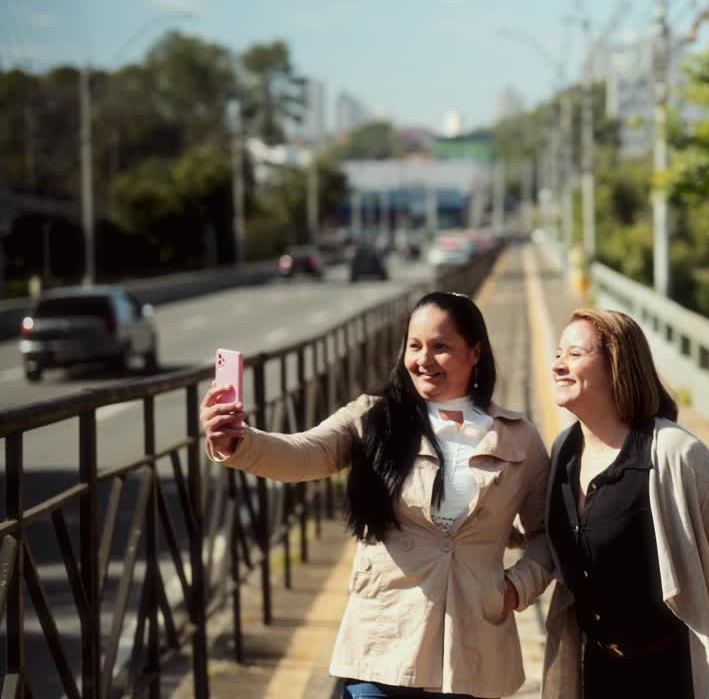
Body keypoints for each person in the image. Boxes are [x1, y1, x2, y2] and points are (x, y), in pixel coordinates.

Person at [201, 292, 552, 699]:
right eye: (415, 345)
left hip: (474, 649)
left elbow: (547, 534)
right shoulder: (372, 417)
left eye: (441, 347)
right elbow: (302, 453)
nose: (423, 359)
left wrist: (514, 590)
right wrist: (238, 442)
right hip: (383, 641)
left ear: (474, 353)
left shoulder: (519, 437)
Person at [540, 308, 709, 699]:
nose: (559, 365)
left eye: (575, 355)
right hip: (595, 671)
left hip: (670, 673)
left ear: (616, 366)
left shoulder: (675, 453)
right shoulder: (564, 452)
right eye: (559, 354)